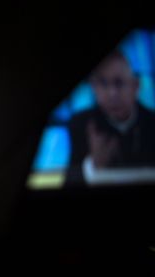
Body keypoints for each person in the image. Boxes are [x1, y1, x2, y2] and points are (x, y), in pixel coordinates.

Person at [65, 51, 155, 186]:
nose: (112, 93)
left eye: (119, 83)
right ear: (94, 87)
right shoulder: (80, 124)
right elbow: (69, 185)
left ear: (135, 86)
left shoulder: (152, 122)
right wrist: (93, 164)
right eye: (103, 83)